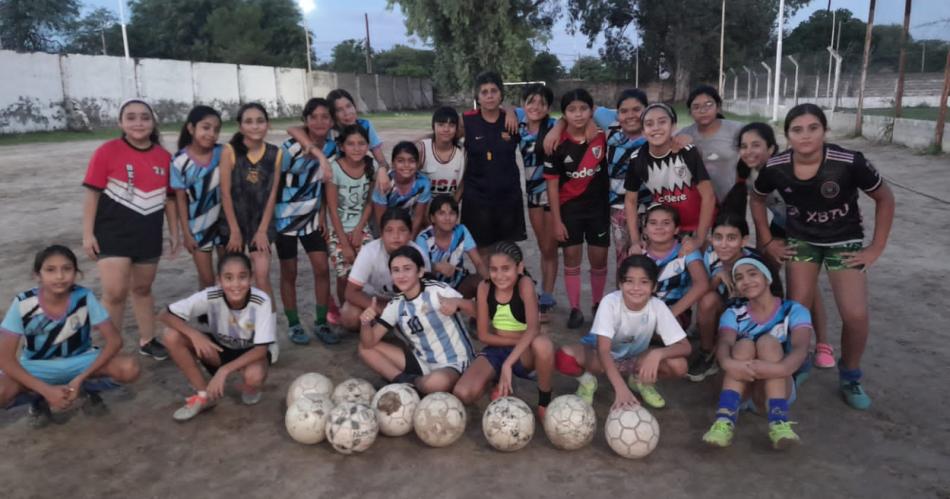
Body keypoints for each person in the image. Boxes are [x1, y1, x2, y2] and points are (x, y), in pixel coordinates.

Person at [751, 104, 895, 410]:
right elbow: (756, 196)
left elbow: (885, 197)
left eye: (813, 128)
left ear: (824, 131)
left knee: (855, 314)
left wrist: (876, 247)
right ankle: (798, 364)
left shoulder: (848, 162)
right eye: (797, 130)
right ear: (787, 135)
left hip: (844, 242)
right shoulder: (776, 166)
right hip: (802, 241)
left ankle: (850, 375)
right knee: (798, 309)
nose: (805, 136)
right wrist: (766, 240)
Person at [81, 98, 179, 361]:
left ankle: (147, 340)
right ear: (120, 123)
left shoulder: (164, 157)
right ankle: (109, 349)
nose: (138, 123)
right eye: (131, 117)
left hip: (148, 234)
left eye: (145, 117)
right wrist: (88, 234)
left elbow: (170, 199)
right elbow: (92, 194)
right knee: (114, 293)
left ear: (153, 122)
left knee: (143, 289)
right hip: (112, 234)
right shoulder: (106, 151)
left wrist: (174, 233)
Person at [0, 246, 140, 427]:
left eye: (67, 269)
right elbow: (4, 359)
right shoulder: (23, 303)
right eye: (50, 270)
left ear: (76, 273)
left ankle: (86, 388)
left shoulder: (84, 297)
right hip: (37, 366)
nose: (59, 276)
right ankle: (38, 399)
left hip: (81, 361)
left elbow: (115, 341)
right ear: (38, 275)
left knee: (129, 368)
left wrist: (80, 378)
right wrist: (46, 390)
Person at [733, 122, 830, 370]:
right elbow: (756, 211)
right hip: (779, 227)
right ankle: (770, 330)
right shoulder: (748, 173)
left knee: (806, 288)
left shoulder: (790, 169)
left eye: (756, 145)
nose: (749, 151)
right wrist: (767, 243)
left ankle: (821, 345)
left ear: (772, 148)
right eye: (744, 146)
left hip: (808, 229)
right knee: (767, 276)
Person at [701, 257, 812, 450]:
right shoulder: (733, 312)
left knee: (768, 343)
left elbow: (800, 348)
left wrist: (778, 368)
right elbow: (725, 343)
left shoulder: (794, 310)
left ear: (768, 278)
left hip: (773, 390)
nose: (746, 281)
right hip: (739, 387)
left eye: (753, 274)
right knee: (743, 346)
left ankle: (779, 422)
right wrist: (729, 364)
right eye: (739, 278)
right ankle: (724, 422)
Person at [554, 255, 690, 410]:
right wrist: (621, 389)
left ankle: (640, 380)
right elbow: (603, 351)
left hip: (635, 358)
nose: (636, 288)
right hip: (601, 356)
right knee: (563, 358)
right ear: (620, 284)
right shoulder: (610, 303)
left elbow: (685, 347)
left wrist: (657, 354)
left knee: (679, 365)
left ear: (654, 287)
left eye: (644, 282)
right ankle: (587, 381)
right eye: (629, 281)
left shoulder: (657, 306)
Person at [159, 253, 275, 422]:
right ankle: (204, 395)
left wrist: (224, 371)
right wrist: (194, 334)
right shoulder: (211, 296)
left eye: (242, 277)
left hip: (250, 354)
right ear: (219, 281)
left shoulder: (261, 301)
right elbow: (164, 314)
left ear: (251, 278)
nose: (235, 284)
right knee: (171, 335)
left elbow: (261, 350)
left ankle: (250, 387)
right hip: (218, 349)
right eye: (228, 278)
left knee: (254, 377)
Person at [451, 242, 555, 417]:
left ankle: (544, 402)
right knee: (463, 394)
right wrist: (509, 354)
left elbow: (532, 330)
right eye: (494, 269)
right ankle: (495, 379)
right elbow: (484, 335)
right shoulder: (484, 288)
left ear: (519, 267)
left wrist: (509, 362)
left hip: (524, 353)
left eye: (506, 269)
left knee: (543, 345)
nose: (499, 276)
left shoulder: (525, 284)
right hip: (497, 349)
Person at [358, 246, 475, 393]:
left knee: (435, 383)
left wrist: (458, 303)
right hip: (423, 362)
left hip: (455, 363)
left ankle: (414, 386)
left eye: (407, 269)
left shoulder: (436, 290)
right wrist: (366, 323)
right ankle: (405, 382)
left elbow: (477, 311)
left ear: (420, 272)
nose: (401, 275)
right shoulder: (396, 304)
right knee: (364, 349)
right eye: (396, 270)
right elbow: (369, 342)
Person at [544, 88, 610, 330]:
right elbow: (551, 186)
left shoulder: (603, 135)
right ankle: (575, 308)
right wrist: (556, 221)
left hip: (598, 209)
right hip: (570, 210)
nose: (578, 114)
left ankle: (597, 304)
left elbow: (619, 114)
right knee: (572, 258)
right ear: (564, 114)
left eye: (583, 109)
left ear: (591, 111)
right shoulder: (555, 143)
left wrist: (593, 120)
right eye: (571, 110)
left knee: (599, 259)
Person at [218, 103, 281, 354]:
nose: (255, 126)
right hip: (232, 222)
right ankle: (232, 332)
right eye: (249, 121)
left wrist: (263, 229)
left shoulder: (275, 153)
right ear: (240, 125)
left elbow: (272, 194)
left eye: (260, 121)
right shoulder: (230, 151)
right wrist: (234, 230)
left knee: (262, 275)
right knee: (230, 279)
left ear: (267, 124)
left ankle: (269, 335)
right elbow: (225, 193)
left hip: (260, 223)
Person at [275, 98, 338, 346]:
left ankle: (321, 322)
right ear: (306, 121)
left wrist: (322, 214)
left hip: (312, 219)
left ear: (331, 121)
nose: (320, 121)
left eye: (325, 116)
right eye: (314, 117)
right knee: (289, 272)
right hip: (284, 220)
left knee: (322, 268)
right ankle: (293, 324)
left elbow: (322, 186)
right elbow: (273, 185)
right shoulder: (290, 149)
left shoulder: (333, 148)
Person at [624, 103, 715, 256]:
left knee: (700, 268)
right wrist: (634, 240)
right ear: (643, 132)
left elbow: (709, 196)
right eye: (649, 124)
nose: (656, 127)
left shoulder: (686, 152)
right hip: (669, 228)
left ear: (673, 126)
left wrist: (700, 238)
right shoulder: (637, 159)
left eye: (662, 121)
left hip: (701, 225)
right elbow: (630, 200)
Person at [689, 213, 764, 382]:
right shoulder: (710, 255)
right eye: (718, 237)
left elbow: (762, 304)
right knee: (708, 299)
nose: (723, 245)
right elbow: (700, 292)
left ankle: (727, 347)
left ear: (743, 241)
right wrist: (717, 278)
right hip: (722, 313)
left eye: (731, 238)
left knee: (742, 358)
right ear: (711, 238)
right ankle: (707, 352)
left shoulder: (753, 262)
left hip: (748, 319)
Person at [461, 71, 526, 254]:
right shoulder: (467, 121)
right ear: (477, 96)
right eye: (484, 92)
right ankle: (485, 283)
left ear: (501, 94)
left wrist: (511, 109)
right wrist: (418, 144)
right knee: (483, 253)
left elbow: (540, 114)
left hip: (508, 197)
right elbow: (442, 135)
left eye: (494, 91)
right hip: (477, 198)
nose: (489, 95)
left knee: (506, 252)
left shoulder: (514, 120)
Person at [511, 84, 559, 317]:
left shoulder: (553, 125)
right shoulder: (518, 125)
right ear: (523, 104)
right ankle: (543, 289)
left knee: (550, 247)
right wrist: (511, 112)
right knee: (543, 245)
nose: (535, 107)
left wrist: (557, 128)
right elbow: (505, 109)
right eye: (531, 101)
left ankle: (547, 295)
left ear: (548, 107)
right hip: (531, 193)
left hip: (552, 194)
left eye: (541, 103)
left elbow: (567, 121)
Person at [340, 208, 431, 331]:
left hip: (405, 303)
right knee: (349, 315)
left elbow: (426, 292)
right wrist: (382, 311)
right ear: (381, 234)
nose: (396, 236)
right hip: (374, 301)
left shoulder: (419, 255)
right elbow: (350, 292)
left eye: (402, 230)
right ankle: (374, 329)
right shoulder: (369, 251)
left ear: (410, 234)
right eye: (389, 230)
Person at [287, 88, 391, 192]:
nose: (347, 113)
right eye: (339, 110)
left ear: (355, 106)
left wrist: (381, 170)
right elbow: (293, 129)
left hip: (357, 176)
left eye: (349, 106)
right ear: (332, 115)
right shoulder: (328, 129)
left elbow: (382, 162)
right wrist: (319, 154)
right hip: (331, 179)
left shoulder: (365, 126)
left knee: (384, 182)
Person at [171, 105, 224, 291]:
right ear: (191, 128)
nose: (211, 133)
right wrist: (186, 233)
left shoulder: (223, 153)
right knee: (207, 278)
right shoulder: (179, 161)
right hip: (198, 228)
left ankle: (224, 314)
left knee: (226, 274)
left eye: (216, 129)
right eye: (206, 127)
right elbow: (180, 200)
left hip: (224, 224)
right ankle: (209, 313)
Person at [326, 124, 377, 311]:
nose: (356, 148)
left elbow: (370, 203)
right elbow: (332, 209)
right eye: (351, 144)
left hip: (361, 227)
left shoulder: (372, 167)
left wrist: (358, 230)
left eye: (361, 143)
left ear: (368, 145)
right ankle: (344, 310)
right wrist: (345, 243)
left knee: (366, 273)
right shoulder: (335, 169)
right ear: (342, 146)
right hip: (338, 230)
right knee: (344, 275)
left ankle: (364, 311)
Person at [641, 204, 709, 327]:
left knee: (665, 329)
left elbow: (702, 284)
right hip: (642, 308)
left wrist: (670, 314)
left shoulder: (686, 250)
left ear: (677, 229)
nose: (659, 227)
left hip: (676, 311)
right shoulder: (639, 252)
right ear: (645, 229)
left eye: (666, 223)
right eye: (653, 223)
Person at [677, 85, 744, 204]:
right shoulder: (683, 134)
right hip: (698, 202)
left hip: (730, 199)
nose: (702, 111)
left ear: (718, 107)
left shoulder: (737, 130)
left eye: (708, 105)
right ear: (690, 112)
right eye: (696, 107)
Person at [415, 195, 488, 298]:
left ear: (457, 217)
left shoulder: (461, 231)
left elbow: (478, 262)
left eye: (452, 213)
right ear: (432, 218)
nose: (447, 218)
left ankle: (479, 313)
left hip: (458, 284)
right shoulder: (423, 239)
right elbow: (418, 268)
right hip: (432, 289)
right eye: (441, 213)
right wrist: (436, 267)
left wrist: (491, 285)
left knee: (480, 284)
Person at [371, 141, 432, 237]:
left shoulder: (423, 184)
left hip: (408, 226)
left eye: (411, 161)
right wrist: (387, 240)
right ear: (393, 163)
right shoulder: (384, 182)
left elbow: (418, 217)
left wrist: (410, 240)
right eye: (400, 161)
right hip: (385, 227)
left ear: (417, 164)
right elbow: (380, 219)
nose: (406, 165)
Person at [418, 106, 465, 200]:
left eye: (451, 125)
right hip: (423, 206)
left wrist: (452, 206)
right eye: (441, 124)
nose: (446, 129)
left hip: (448, 209)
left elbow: (462, 185)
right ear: (433, 126)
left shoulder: (462, 152)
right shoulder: (422, 148)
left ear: (456, 129)